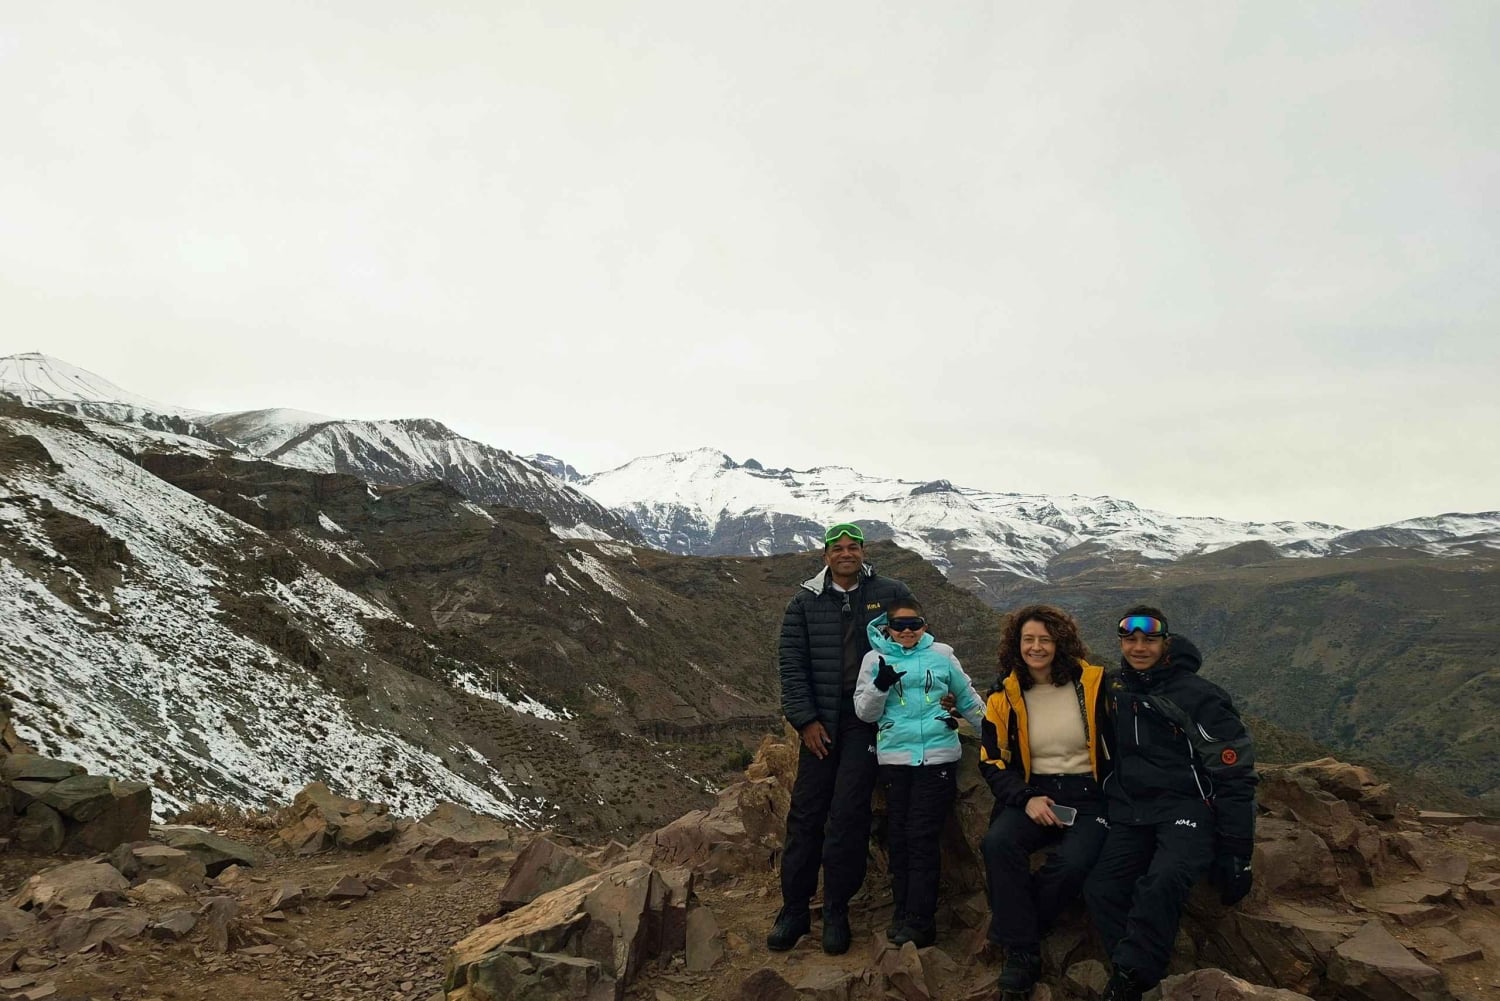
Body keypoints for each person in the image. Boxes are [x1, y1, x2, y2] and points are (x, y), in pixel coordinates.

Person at [1084, 607, 1258, 1001]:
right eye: (1130, 639)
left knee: (1161, 882)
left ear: (1166, 644)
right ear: (1120, 642)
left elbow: (1236, 773)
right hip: (1131, 810)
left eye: (1149, 640)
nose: (1139, 647)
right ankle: (1132, 967)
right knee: (1101, 887)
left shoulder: (1198, 695)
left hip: (1188, 808)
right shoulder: (1114, 689)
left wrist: (1237, 852)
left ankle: (1132, 979)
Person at [768, 522, 914, 955]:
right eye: (839, 548)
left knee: (849, 814)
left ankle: (836, 909)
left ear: (863, 552)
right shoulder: (804, 602)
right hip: (822, 723)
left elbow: (915, 639)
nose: (846, 554)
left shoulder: (890, 592)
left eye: (854, 547)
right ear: (826, 555)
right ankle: (794, 909)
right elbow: (791, 666)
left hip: (866, 722)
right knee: (806, 814)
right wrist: (805, 720)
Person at [978, 604, 1113, 998]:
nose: (1036, 647)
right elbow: (990, 760)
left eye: (1045, 639)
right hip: (1036, 791)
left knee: (1072, 864)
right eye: (1028, 639)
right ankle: (1023, 954)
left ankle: (1018, 924)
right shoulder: (1004, 695)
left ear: (1061, 642)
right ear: (1016, 644)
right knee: (999, 843)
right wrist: (1026, 797)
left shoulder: (1095, 684)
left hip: (1090, 796)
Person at [852, 598, 984, 948]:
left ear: (925, 624)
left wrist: (1000, 738)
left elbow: (968, 699)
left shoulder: (942, 655)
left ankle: (921, 920)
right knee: (899, 838)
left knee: (923, 837)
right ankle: (903, 911)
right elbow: (864, 713)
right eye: (900, 625)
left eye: (915, 623)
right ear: (888, 627)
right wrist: (880, 685)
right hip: (896, 760)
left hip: (937, 758)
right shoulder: (873, 659)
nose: (907, 631)